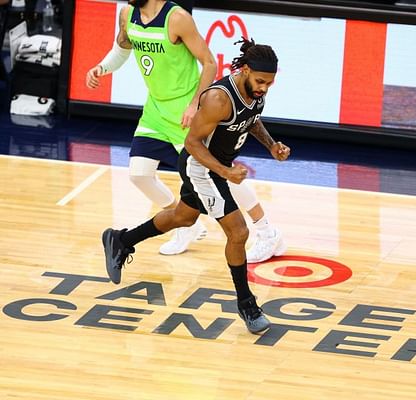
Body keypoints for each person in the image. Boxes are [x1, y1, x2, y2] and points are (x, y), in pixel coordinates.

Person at [102, 37, 290, 333]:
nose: (265, 87)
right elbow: (191, 142)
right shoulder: (218, 98)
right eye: (261, 80)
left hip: (217, 167)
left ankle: (121, 240)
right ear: (244, 70)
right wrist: (225, 172)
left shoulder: (255, 92)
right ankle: (247, 305)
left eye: (269, 82)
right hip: (201, 167)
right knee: (239, 232)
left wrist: (271, 146)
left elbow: (251, 120)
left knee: (182, 217)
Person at [86, 0, 285, 263]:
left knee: (219, 174)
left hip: (186, 110)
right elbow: (122, 48)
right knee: (139, 174)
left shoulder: (177, 18)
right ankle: (186, 227)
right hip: (156, 108)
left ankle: (266, 231)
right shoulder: (127, 14)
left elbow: (209, 63)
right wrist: (103, 67)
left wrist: (194, 103)